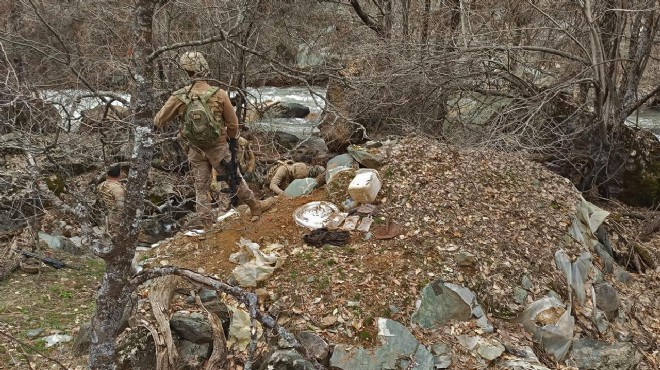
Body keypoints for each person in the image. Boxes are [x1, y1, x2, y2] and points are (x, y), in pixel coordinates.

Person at [154, 51, 275, 226]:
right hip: (219, 147)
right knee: (234, 178)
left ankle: (206, 225)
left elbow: (158, 120)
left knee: (201, 189)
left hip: (195, 149)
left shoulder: (179, 96)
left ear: (186, 72)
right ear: (205, 69)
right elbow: (233, 124)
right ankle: (255, 207)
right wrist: (231, 141)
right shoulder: (219, 94)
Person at [97, 164, 125, 230]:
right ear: (119, 174)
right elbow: (120, 207)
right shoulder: (117, 189)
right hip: (114, 220)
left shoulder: (101, 185)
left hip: (103, 217)